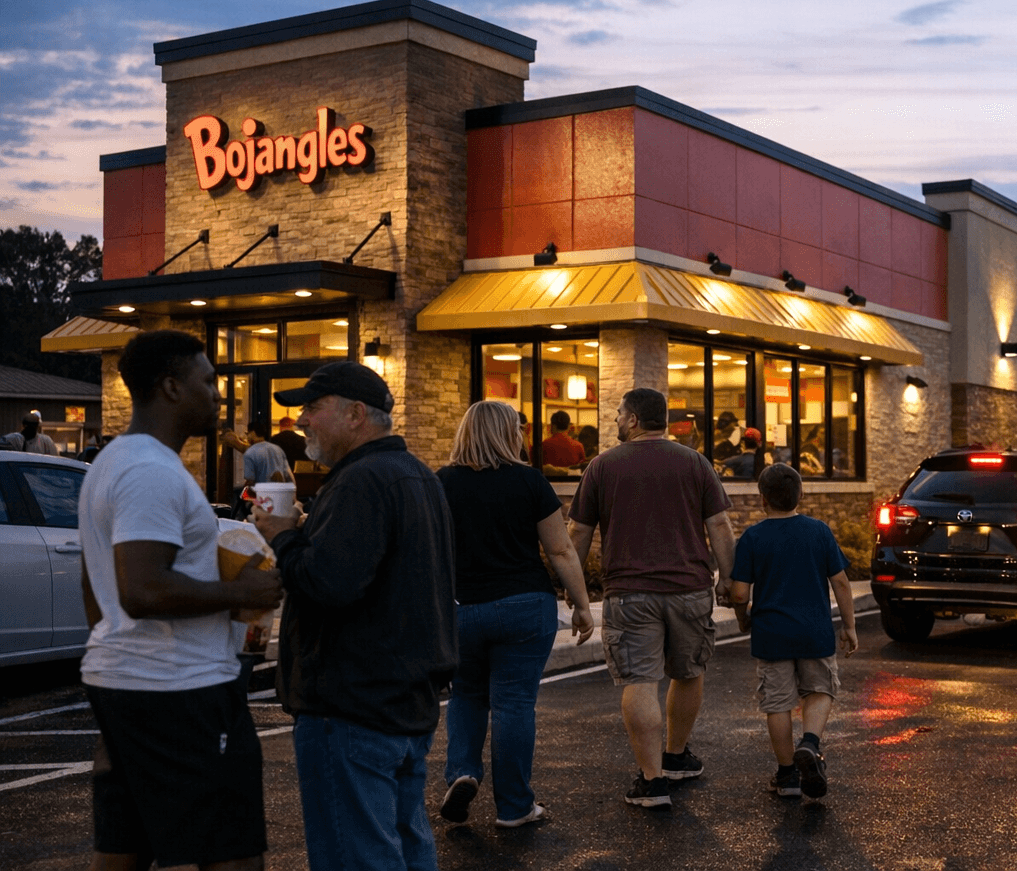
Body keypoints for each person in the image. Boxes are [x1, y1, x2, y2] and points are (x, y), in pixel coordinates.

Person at [77, 330, 284, 871]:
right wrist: (244, 592)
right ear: (171, 387)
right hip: (181, 690)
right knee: (233, 853)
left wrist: (121, 661)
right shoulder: (150, 471)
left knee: (125, 845)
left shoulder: (112, 460)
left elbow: (94, 583)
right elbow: (141, 589)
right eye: (209, 380)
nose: (221, 394)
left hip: (131, 682)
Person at [251, 362, 456, 871]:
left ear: (356, 414)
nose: (301, 422)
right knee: (406, 845)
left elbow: (328, 583)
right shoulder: (416, 476)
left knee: (358, 855)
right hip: (402, 699)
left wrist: (282, 536)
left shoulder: (361, 482)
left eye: (312, 408)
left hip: (351, 704)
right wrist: (304, 527)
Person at [568, 387, 737, 808]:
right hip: (690, 589)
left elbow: (578, 534)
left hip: (629, 593)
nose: (615, 421)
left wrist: (575, 595)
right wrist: (727, 579)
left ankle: (652, 780)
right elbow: (719, 526)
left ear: (634, 420)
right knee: (688, 671)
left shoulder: (602, 466)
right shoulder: (696, 462)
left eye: (619, 414)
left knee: (641, 680)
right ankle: (677, 756)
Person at [436, 401, 594, 829]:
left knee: (466, 694)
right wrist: (580, 604)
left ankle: (463, 773)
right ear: (511, 434)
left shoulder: (441, 483)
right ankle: (514, 807)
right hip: (524, 605)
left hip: (461, 609)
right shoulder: (530, 482)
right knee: (513, 704)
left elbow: (427, 552)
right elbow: (560, 549)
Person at [729, 464, 857, 801]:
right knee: (819, 689)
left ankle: (787, 776)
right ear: (800, 495)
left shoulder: (753, 538)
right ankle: (810, 744)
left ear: (762, 500)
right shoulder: (819, 531)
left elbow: (740, 593)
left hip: (771, 635)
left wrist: (743, 618)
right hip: (814, 632)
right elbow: (841, 581)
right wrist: (850, 625)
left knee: (778, 704)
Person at [241, 419, 291, 489]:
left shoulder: (251, 452)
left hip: (261, 493)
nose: (247, 437)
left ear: (252, 433)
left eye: (247, 433)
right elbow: (287, 474)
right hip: (278, 491)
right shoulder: (277, 449)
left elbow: (250, 480)